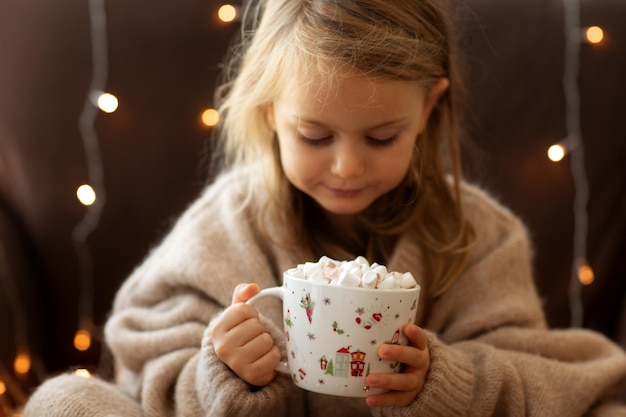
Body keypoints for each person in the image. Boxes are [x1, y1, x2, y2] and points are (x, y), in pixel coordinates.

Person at [23, 0, 626, 416]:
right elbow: (145, 367)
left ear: (428, 110)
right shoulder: (224, 226)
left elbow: (525, 374)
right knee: (64, 402)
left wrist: (445, 381)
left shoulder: (478, 235)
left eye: (382, 137)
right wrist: (223, 374)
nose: (346, 167)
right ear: (269, 115)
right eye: (315, 137)